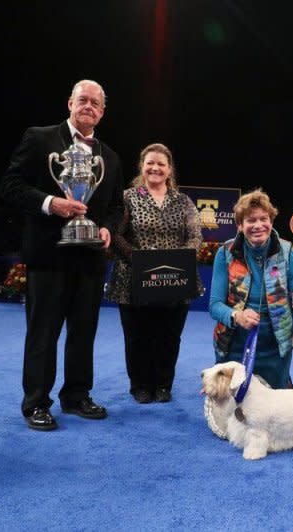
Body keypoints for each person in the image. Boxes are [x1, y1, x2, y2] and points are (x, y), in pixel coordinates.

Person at [0, 79, 124, 431]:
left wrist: (107, 230)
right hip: (48, 255)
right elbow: (10, 185)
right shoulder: (40, 138)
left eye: (95, 103)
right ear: (70, 103)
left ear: (101, 112)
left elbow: (115, 206)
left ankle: (76, 395)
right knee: (43, 333)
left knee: (84, 333)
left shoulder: (110, 157)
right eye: (82, 100)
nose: (88, 106)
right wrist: (51, 203)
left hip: (90, 259)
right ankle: (36, 402)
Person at [105, 143, 203, 404]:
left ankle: (163, 384)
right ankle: (140, 385)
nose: (155, 168)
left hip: (176, 278)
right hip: (133, 280)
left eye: (161, 163)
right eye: (150, 163)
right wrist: (139, 260)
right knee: (137, 336)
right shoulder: (128, 197)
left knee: (169, 336)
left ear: (169, 170)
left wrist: (179, 259)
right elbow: (115, 233)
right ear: (142, 166)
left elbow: (195, 236)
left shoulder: (183, 202)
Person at [209, 189, 293, 389]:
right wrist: (237, 316)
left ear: (271, 221)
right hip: (233, 345)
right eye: (250, 220)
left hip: (276, 349)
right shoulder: (225, 254)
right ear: (239, 225)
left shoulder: (290, 255)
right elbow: (214, 305)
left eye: (264, 219)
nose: (258, 225)